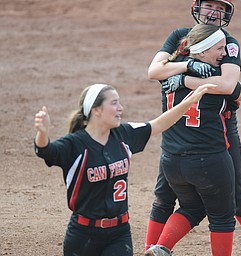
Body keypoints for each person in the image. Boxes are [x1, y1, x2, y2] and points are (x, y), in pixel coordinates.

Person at [144, 1, 241, 256]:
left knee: (235, 191)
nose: (214, 12)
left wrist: (183, 79)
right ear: (197, 7)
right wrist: (187, 66)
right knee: (166, 196)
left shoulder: (228, 42)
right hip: (199, 139)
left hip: (210, 126)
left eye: (220, 8)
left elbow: (230, 85)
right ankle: (151, 249)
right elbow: (152, 71)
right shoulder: (180, 35)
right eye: (209, 5)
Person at [33, 83, 214, 256]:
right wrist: (42, 133)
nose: (120, 108)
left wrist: (189, 102)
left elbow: (158, 124)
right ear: (96, 110)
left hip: (119, 233)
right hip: (83, 235)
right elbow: (46, 150)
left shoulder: (124, 134)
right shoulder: (75, 144)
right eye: (114, 103)